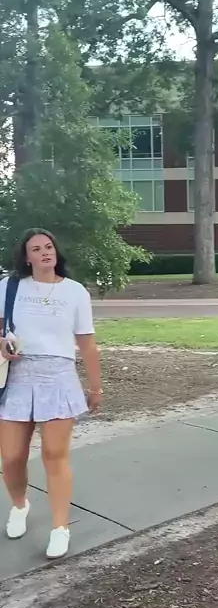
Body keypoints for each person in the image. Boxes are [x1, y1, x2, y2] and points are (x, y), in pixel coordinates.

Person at [0, 228, 102, 560]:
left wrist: (95, 386)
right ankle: (20, 505)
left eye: (48, 246)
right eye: (36, 249)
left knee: (54, 455)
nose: (45, 252)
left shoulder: (75, 292)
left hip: (58, 376)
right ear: (26, 257)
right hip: (17, 376)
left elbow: (87, 342)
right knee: (11, 456)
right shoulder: (9, 286)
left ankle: (60, 528)